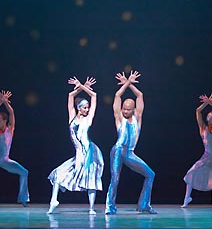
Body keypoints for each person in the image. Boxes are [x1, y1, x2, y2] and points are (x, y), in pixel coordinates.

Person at [47, 77, 104, 215]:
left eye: (87, 108)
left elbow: (94, 96)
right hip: (78, 154)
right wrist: (80, 86)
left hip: (89, 152)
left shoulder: (88, 119)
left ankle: (91, 208)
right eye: (84, 107)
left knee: (91, 178)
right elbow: (70, 96)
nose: (86, 110)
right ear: (79, 108)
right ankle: (54, 201)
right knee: (58, 174)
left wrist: (83, 87)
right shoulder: (72, 116)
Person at [105, 70, 156, 215]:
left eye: (128, 109)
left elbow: (140, 95)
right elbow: (117, 95)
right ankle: (110, 206)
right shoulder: (119, 117)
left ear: (134, 110)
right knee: (115, 178)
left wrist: (131, 83)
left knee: (150, 174)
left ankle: (144, 205)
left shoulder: (137, 118)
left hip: (130, 153)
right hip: (118, 151)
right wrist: (127, 82)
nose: (125, 111)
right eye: (124, 109)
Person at [0, 90, 29, 207]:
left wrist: (6, 102)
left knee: (24, 172)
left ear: (5, 121)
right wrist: (0, 102)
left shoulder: (10, 129)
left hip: (5, 159)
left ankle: (23, 198)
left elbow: (11, 113)